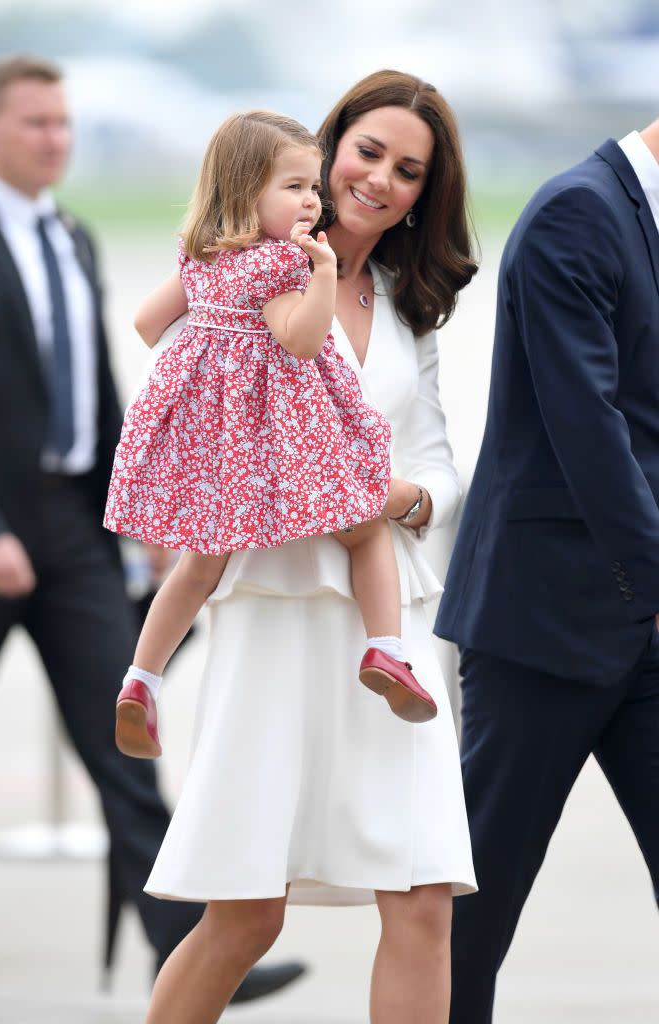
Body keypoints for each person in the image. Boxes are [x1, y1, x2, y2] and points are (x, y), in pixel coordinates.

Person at [141, 69, 478, 1024]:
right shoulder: (246, 264)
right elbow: (176, 386)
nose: (381, 179)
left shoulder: (409, 307)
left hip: (391, 628)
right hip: (276, 604)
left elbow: (442, 471)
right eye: (367, 152)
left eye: (409, 169)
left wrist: (397, 498)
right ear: (326, 153)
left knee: (421, 899)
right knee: (245, 912)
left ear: (424, 193)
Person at [0, 54, 304, 1003]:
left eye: (64, 122)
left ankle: (185, 953)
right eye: (37, 123)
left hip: (74, 526)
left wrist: (153, 512)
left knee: (123, 731)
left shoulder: (72, 237)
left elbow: (105, 389)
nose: (57, 139)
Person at [106, 109, 437, 761]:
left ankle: (141, 679)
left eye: (314, 186)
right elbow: (302, 337)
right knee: (365, 527)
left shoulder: (199, 255)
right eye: (295, 187)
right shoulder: (282, 265)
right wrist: (319, 275)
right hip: (285, 440)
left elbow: (147, 324)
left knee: (200, 560)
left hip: (215, 444)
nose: (313, 201)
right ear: (244, 190)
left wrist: (203, 348)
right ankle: (387, 649)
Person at [435, 121, 659, 1022]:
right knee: (472, 915)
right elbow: (587, 425)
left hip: (640, 626)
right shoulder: (579, 212)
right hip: (543, 623)